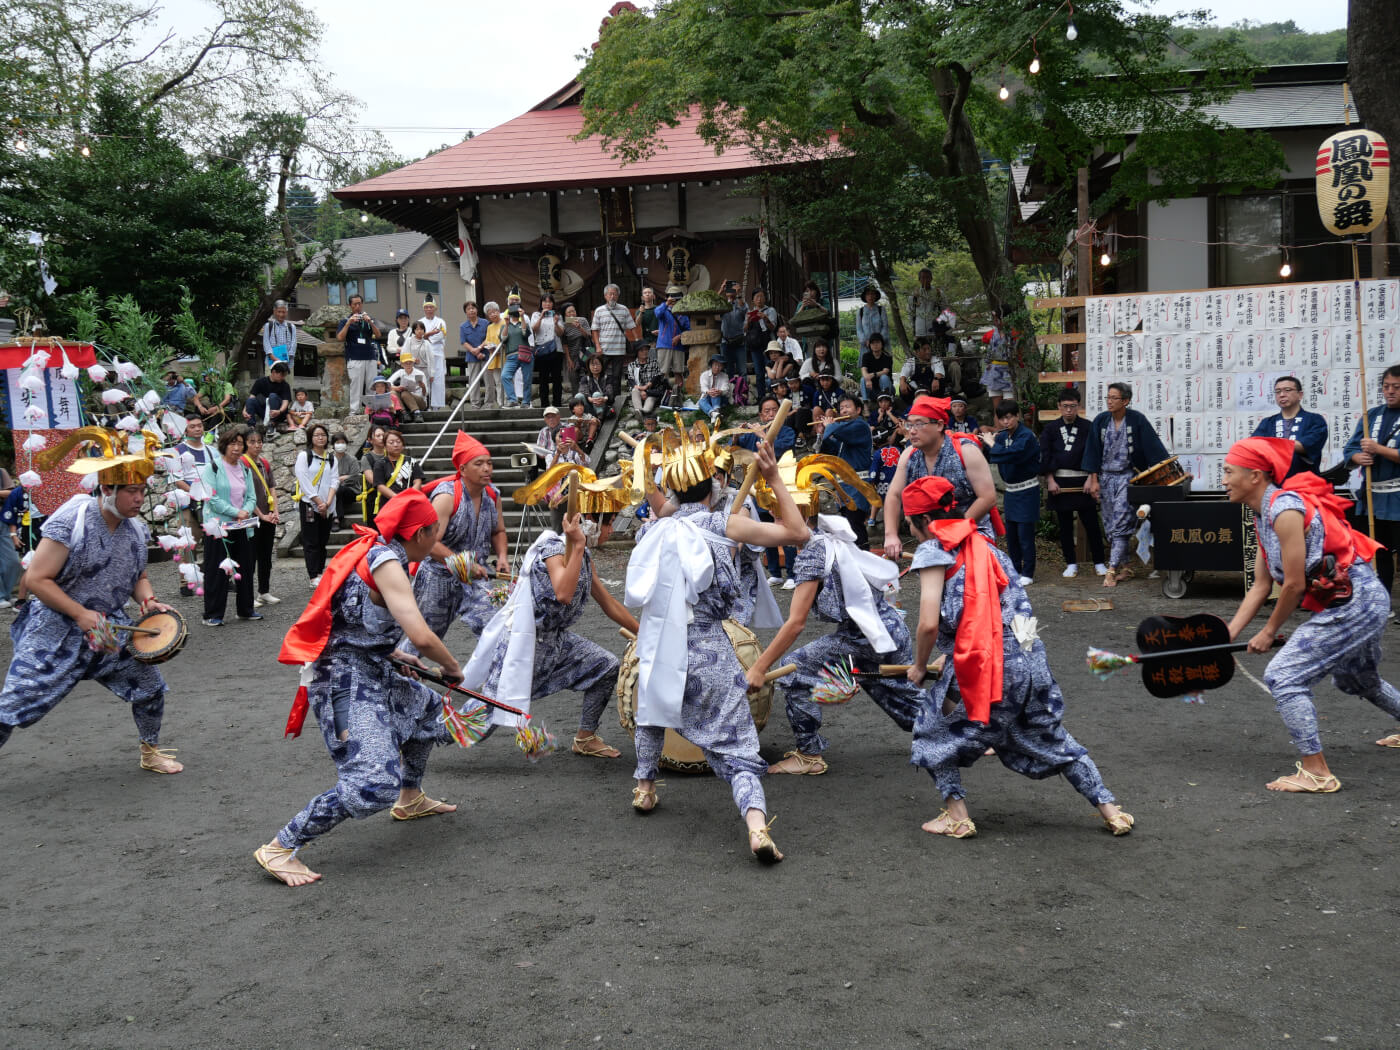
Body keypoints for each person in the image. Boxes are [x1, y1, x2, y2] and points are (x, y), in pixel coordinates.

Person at [903, 475, 1133, 839]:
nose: (911, 534)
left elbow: (929, 623)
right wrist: (1015, 662)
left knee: (929, 731)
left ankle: (957, 817)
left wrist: (918, 666)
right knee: (1052, 738)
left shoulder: (934, 548)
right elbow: (1014, 613)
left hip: (988, 667)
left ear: (923, 521)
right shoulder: (988, 546)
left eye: (910, 524)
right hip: (1028, 659)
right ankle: (1110, 808)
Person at [255, 489, 463, 887]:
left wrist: (397, 657)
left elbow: (354, 624)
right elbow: (420, 634)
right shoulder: (385, 560)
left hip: (369, 664)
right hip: (345, 679)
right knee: (372, 783)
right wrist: (454, 669)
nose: (436, 542)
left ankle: (411, 797)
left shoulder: (378, 548)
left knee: (429, 713)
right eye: (434, 533)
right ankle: (281, 847)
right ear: (418, 533)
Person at [625, 429, 810, 862]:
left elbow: (668, 515)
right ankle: (756, 826)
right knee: (738, 748)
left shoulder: (651, 533)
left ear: (674, 490)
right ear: (714, 488)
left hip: (658, 648)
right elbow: (797, 533)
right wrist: (774, 480)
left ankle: (645, 788)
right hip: (709, 653)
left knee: (652, 711)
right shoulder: (724, 524)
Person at [1221, 437, 1400, 793]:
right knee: (1356, 680)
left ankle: (1316, 772)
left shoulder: (1285, 511)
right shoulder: (1261, 513)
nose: (1223, 479)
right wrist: (1228, 633)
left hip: (1356, 603)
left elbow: (1294, 586)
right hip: (1357, 602)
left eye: (1228, 471)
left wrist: (1269, 632)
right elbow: (1260, 586)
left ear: (1255, 475)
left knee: (1283, 675)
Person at [0, 427, 182, 774]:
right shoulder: (72, 522)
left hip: (106, 630)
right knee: (12, 705)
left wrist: (149, 603)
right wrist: (80, 613)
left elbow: (139, 577)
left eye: (143, 490)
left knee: (149, 687)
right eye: (132, 491)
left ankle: (151, 752)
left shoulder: (136, 531)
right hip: (54, 630)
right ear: (106, 489)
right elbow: (37, 580)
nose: (139, 498)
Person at [748, 465, 924, 776]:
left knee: (794, 672)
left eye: (778, 516)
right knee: (901, 699)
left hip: (864, 637)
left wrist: (760, 666)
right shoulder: (826, 538)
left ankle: (808, 754)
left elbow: (796, 623)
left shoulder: (812, 552)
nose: (774, 524)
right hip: (887, 629)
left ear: (799, 516)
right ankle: (969, 731)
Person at [461, 509, 638, 759]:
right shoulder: (553, 549)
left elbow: (607, 602)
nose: (611, 531)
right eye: (610, 524)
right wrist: (577, 546)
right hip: (525, 645)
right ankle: (419, 735)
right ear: (591, 523)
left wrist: (641, 633)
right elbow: (563, 594)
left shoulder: (582, 555)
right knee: (477, 724)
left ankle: (586, 738)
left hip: (556, 641)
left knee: (605, 666)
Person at [406, 431, 508, 643]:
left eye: (489, 463)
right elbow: (429, 543)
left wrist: (503, 556)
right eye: (479, 463)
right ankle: (400, 672)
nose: (487, 468)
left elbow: (498, 530)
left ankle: (494, 675)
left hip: (476, 577)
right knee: (424, 639)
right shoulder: (447, 496)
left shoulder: (492, 494)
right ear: (462, 469)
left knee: (496, 628)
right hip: (438, 577)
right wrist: (463, 564)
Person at [882, 395, 999, 557]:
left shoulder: (966, 451)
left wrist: (954, 532)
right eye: (909, 424)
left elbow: (987, 497)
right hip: (931, 536)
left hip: (972, 530)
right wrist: (891, 534)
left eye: (919, 424)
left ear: (939, 425)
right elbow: (894, 494)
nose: (912, 430)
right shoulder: (909, 455)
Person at [1082, 382, 1169, 587]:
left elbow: (1154, 449)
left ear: (1126, 401)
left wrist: (1171, 472)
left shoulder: (1137, 420)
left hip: (1127, 479)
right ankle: (1127, 566)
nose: (1110, 402)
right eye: (1108, 398)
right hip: (1105, 478)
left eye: (1114, 398)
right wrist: (1094, 479)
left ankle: (1111, 570)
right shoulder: (1101, 421)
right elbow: (1092, 452)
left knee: (1121, 522)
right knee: (1111, 526)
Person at [1342, 365, 1400, 600]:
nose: (1390, 391)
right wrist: (1358, 457)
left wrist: (1379, 450)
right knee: (1379, 553)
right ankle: (1381, 602)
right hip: (1373, 497)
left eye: (1396, 387)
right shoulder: (1372, 415)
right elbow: (1351, 449)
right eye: (1386, 387)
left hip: (1398, 496)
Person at [1039, 388, 1107, 578]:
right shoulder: (1050, 429)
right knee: (1065, 526)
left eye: (1073, 406)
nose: (1069, 410)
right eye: (1065, 406)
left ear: (1079, 407)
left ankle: (1099, 562)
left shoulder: (1088, 427)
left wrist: (1091, 477)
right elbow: (1046, 454)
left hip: (1083, 480)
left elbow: (1095, 452)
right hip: (1060, 482)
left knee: (1092, 524)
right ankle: (1071, 563)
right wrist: (1050, 479)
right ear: (1059, 407)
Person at [200, 426, 260, 627]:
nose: (236, 447)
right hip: (218, 527)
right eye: (233, 443)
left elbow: (251, 496)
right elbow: (212, 498)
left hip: (241, 526)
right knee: (217, 570)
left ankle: (246, 609)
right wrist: (236, 512)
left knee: (245, 566)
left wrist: (246, 510)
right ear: (224, 445)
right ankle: (213, 613)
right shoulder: (213, 468)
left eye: (240, 444)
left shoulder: (244, 468)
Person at [983, 399, 1041, 585]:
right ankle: (1014, 569)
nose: (1006, 422)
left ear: (1017, 416)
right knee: (1012, 535)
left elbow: (1013, 454)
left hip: (1027, 490)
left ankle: (1028, 572)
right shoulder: (1002, 436)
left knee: (1025, 535)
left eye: (1009, 417)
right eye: (1002, 419)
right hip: (1011, 492)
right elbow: (992, 453)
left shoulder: (1026, 436)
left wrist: (991, 444)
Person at [817, 393, 875, 549]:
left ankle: (865, 562)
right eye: (841, 408)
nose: (843, 411)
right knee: (848, 526)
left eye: (848, 407)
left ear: (858, 409)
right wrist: (823, 433)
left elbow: (837, 430)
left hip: (857, 485)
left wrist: (830, 426)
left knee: (855, 525)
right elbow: (828, 451)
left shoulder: (860, 425)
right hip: (844, 486)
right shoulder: (843, 434)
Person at [1252, 376, 1328, 479]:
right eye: (1278, 392)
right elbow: (1254, 446)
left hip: (1305, 483)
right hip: (1273, 484)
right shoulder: (1267, 422)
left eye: (1287, 390)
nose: (1282, 395)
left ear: (1300, 395)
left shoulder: (1315, 420)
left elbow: (1304, 446)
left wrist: (1269, 444)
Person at [294, 423, 339, 588]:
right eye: (316, 435)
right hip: (310, 505)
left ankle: (320, 571)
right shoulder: (304, 456)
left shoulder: (331, 457)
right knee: (311, 540)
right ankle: (313, 575)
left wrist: (328, 501)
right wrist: (319, 502)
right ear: (310, 438)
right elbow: (304, 481)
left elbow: (335, 479)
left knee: (322, 540)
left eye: (323, 435)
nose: (320, 438)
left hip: (328, 505)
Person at [241, 427, 281, 609]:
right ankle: (248, 596)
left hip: (268, 514)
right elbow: (245, 494)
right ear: (245, 444)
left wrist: (275, 511)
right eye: (252, 442)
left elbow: (272, 487)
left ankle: (264, 591)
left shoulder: (264, 463)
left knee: (266, 555)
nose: (257, 445)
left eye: (259, 441)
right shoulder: (243, 463)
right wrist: (261, 515)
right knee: (250, 557)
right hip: (251, 516)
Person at [336, 294, 381, 415]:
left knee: (371, 385)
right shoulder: (345, 320)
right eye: (355, 304)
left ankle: (372, 410)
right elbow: (340, 337)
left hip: (370, 356)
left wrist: (370, 322)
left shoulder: (368, 319)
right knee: (356, 385)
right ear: (350, 306)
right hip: (354, 357)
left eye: (359, 303)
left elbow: (378, 335)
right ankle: (354, 411)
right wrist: (348, 323)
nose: (357, 306)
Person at [590, 283, 635, 394]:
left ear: (618, 296)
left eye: (614, 294)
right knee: (600, 373)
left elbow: (632, 326)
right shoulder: (599, 310)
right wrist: (597, 346)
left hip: (619, 349)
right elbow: (594, 330)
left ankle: (616, 398)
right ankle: (600, 395)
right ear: (605, 296)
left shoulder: (624, 309)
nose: (612, 296)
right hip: (603, 349)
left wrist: (638, 339)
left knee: (617, 375)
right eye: (610, 294)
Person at [371, 429, 423, 517]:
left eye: (398, 442)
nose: (396, 445)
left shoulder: (411, 461)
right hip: (389, 504)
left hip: (410, 502)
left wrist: (410, 496)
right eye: (391, 442)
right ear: (385, 446)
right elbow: (380, 485)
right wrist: (397, 498)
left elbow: (418, 481)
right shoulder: (380, 464)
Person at [654, 285, 691, 395]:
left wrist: (679, 336)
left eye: (676, 298)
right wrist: (666, 303)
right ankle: (661, 394)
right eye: (671, 297)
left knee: (678, 372)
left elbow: (688, 330)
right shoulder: (663, 309)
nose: (674, 300)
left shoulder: (683, 313)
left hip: (678, 347)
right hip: (664, 345)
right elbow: (657, 313)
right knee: (662, 372)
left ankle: (678, 394)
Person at [743, 288, 778, 402]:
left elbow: (773, 327)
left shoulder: (770, 310)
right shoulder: (748, 313)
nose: (759, 299)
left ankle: (774, 394)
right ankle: (761, 397)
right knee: (759, 373)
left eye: (762, 296)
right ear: (753, 299)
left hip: (768, 346)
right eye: (757, 297)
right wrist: (748, 320)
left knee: (771, 370)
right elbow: (744, 330)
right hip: (755, 346)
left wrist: (765, 318)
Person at [531, 294, 565, 410]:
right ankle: (544, 404)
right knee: (543, 378)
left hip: (556, 349)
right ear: (541, 303)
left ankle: (557, 403)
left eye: (550, 302)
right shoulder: (536, 314)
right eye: (545, 302)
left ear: (553, 303)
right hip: (542, 350)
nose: (547, 304)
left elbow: (561, 333)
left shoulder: (557, 315)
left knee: (556, 378)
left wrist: (555, 322)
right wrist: (541, 317)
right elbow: (534, 329)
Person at [499, 302, 535, 409]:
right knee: (505, 375)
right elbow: (503, 339)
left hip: (525, 353)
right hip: (511, 355)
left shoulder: (524, 323)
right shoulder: (505, 326)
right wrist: (506, 323)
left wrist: (522, 317)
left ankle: (526, 402)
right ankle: (512, 400)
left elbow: (525, 333)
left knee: (527, 379)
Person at [719, 281, 750, 402]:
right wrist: (721, 290)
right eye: (729, 289)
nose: (731, 291)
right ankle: (730, 397)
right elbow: (713, 304)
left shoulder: (741, 302)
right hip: (726, 342)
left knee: (742, 371)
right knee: (728, 371)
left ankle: (744, 396)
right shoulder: (722, 304)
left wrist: (738, 295)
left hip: (739, 342)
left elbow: (743, 310)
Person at [418, 298, 449, 409]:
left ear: (435, 308)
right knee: (424, 380)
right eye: (426, 307)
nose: (429, 309)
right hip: (424, 356)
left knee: (437, 380)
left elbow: (440, 335)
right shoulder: (420, 322)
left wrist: (426, 337)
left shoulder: (441, 322)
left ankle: (436, 406)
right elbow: (418, 336)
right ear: (423, 308)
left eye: (431, 307)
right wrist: (426, 337)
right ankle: (423, 404)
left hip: (437, 355)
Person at [244, 361, 292, 431]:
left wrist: (279, 411)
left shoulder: (285, 385)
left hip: (278, 414)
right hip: (265, 412)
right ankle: (251, 427)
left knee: (272, 396)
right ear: (274, 372)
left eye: (284, 375)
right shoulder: (260, 382)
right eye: (282, 375)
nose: (283, 377)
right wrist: (244, 410)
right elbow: (252, 397)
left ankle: (272, 424)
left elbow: (285, 402)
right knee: (251, 401)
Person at [898, 338, 946, 405]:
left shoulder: (935, 359)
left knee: (940, 381)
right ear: (917, 352)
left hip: (931, 388)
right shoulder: (910, 361)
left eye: (928, 348)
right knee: (902, 386)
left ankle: (935, 403)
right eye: (924, 349)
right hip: (916, 389)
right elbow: (904, 373)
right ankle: (913, 405)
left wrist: (936, 379)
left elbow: (939, 371)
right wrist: (902, 382)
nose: (928, 352)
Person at [459, 301, 489, 404]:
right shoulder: (463, 326)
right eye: (468, 309)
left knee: (488, 381)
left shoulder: (485, 322)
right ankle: (475, 403)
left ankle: (489, 403)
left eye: (473, 308)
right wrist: (475, 352)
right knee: (473, 381)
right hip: (471, 357)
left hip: (486, 355)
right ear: (465, 312)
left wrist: (480, 348)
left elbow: (488, 338)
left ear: (477, 310)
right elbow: (464, 342)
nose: (471, 310)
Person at [980, 324, 1014, 412]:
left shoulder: (1014, 332)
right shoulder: (992, 333)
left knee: (1010, 407)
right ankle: (1000, 425)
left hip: (1007, 371)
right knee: (998, 409)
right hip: (995, 372)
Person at [560, 302, 592, 396]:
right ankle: (576, 403)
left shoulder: (582, 320)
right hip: (572, 355)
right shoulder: (563, 325)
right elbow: (564, 343)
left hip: (586, 352)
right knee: (574, 379)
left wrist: (579, 327)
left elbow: (588, 336)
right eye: (569, 312)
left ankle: (589, 399)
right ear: (564, 314)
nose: (572, 314)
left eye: (573, 311)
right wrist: (568, 359)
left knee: (588, 378)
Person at [388, 349, 428, 422]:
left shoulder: (419, 373)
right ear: (402, 364)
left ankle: (417, 413)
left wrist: (423, 387)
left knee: (405, 393)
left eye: (410, 363)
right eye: (406, 363)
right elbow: (387, 384)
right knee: (393, 392)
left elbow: (425, 394)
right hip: (405, 402)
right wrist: (396, 388)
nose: (408, 365)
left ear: (413, 363)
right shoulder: (400, 372)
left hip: (419, 402)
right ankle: (403, 412)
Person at [330, 431, 361, 524]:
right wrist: (343, 477)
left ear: (346, 444)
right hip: (334, 491)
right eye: (338, 443)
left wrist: (338, 479)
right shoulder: (329, 460)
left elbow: (355, 477)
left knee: (338, 489)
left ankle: (337, 518)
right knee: (336, 490)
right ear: (333, 445)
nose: (340, 445)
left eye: (342, 442)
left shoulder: (352, 459)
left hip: (351, 491)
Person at [480, 301, 505, 407]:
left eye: (495, 311)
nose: (493, 314)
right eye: (490, 313)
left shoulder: (505, 322)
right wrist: (489, 346)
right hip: (494, 356)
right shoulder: (490, 327)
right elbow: (487, 340)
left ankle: (509, 402)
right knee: (498, 382)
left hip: (505, 356)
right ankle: (500, 403)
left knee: (507, 380)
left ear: (499, 311)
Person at [628, 343, 665, 415]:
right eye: (642, 350)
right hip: (638, 391)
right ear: (637, 352)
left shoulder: (654, 362)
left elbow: (657, 377)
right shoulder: (632, 365)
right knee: (634, 390)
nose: (645, 352)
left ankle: (642, 412)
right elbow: (631, 380)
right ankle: (638, 411)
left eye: (646, 350)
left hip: (651, 392)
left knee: (648, 408)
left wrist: (646, 389)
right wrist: (641, 390)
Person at [578, 353, 615, 424]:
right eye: (592, 365)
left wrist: (604, 398)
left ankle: (599, 417)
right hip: (590, 407)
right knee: (578, 396)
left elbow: (609, 392)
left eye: (598, 364)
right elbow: (583, 391)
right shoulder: (585, 379)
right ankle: (583, 417)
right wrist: (590, 399)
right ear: (588, 366)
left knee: (596, 394)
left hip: (603, 406)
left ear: (602, 365)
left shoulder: (607, 378)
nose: (595, 367)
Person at [908, 269, 942, 342]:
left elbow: (944, 310)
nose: (925, 280)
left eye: (928, 277)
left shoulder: (938, 293)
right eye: (923, 277)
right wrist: (914, 329)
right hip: (919, 332)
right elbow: (910, 313)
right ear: (919, 279)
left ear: (931, 279)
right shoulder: (914, 295)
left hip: (935, 332)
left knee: (936, 352)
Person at [859, 332, 895, 400]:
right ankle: (865, 404)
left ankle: (886, 401)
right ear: (870, 344)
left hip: (887, 387)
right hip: (872, 387)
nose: (875, 345)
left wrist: (873, 375)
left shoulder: (887, 356)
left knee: (883, 377)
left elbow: (885, 371)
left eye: (877, 342)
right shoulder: (866, 356)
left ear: (882, 344)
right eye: (872, 343)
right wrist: (867, 379)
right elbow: (863, 370)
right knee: (863, 379)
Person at [855, 283, 889, 353]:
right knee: (867, 363)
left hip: (880, 346)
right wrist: (866, 341)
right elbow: (859, 329)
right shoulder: (860, 311)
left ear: (876, 295)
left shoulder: (881, 310)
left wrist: (879, 341)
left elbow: (885, 327)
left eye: (873, 294)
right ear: (865, 296)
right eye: (868, 294)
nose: (870, 296)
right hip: (866, 346)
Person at [698, 355, 732, 419]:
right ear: (711, 365)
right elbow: (703, 387)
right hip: (708, 397)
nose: (717, 367)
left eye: (720, 366)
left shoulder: (725, 376)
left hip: (721, 399)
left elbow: (726, 389)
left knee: (715, 394)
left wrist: (720, 391)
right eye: (715, 365)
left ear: (722, 367)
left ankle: (716, 411)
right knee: (701, 402)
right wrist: (708, 392)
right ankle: (714, 414)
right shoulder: (704, 375)